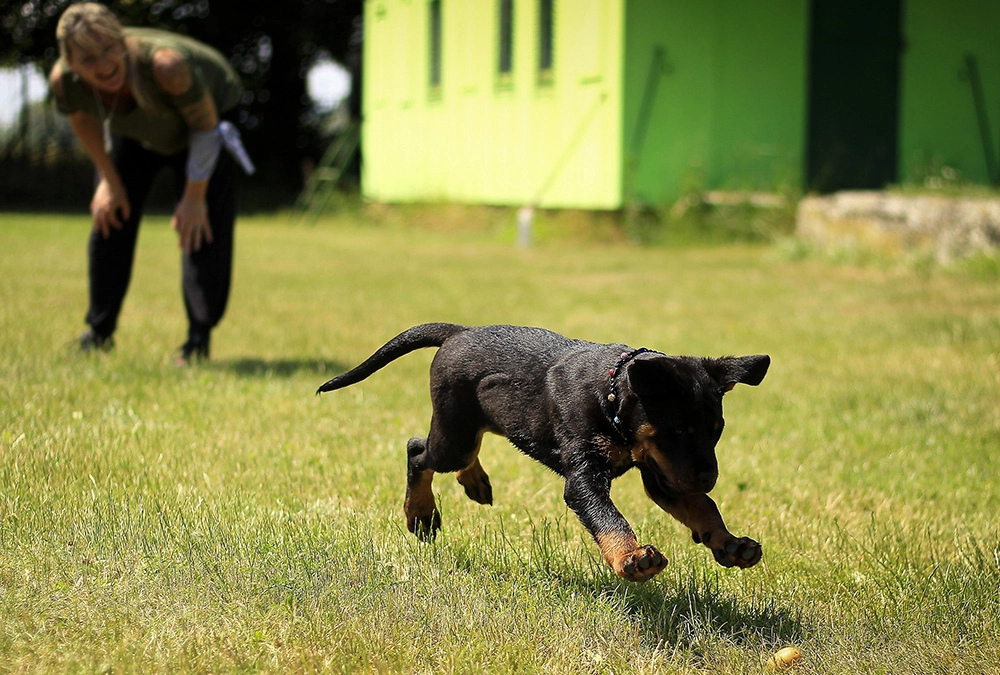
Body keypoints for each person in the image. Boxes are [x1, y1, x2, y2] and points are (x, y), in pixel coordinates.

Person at [48, 2, 254, 364]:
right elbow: (82, 120)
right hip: (138, 132)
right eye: (89, 59)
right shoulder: (65, 82)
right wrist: (108, 181)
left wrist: (193, 197)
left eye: (110, 49)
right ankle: (98, 332)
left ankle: (197, 340)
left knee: (200, 228)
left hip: (205, 125)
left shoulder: (166, 66)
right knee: (109, 216)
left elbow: (205, 128)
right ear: (71, 62)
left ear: (122, 40)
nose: (105, 65)